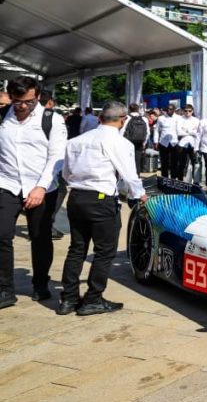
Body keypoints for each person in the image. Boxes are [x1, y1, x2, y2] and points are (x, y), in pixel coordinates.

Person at [58, 101, 147, 316]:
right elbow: (129, 174)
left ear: (100, 118)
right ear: (122, 120)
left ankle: (68, 298)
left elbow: (66, 173)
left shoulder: (75, 141)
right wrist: (139, 194)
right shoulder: (120, 142)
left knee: (77, 248)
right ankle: (93, 298)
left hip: (77, 196)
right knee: (104, 251)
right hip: (101, 199)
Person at [0, 77, 68, 308]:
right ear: (11, 97)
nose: (22, 106)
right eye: (17, 101)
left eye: (28, 101)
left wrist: (41, 187)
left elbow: (57, 156)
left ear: (37, 97)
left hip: (42, 186)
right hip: (7, 184)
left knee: (40, 237)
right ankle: (5, 289)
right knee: (1, 235)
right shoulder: (3, 117)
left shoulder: (52, 120)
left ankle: (40, 283)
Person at [121, 103, 150, 174]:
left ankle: (128, 176)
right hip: (140, 142)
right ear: (138, 109)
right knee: (137, 161)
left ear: (129, 109)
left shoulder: (126, 118)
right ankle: (137, 176)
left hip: (128, 142)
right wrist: (144, 143)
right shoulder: (144, 119)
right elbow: (148, 132)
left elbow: (122, 130)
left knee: (127, 160)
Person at [174, 104, 200, 181]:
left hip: (193, 144)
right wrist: (191, 131)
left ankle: (195, 180)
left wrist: (186, 130)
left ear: (192, 111)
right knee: (181, 163)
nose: (187, 112)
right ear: (183, 111)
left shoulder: (196, 120)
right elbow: (179, 132)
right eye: (186, 111)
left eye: (189, 111)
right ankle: (180, 179)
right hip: (182, 144)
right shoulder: (180, 119)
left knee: (195, 163)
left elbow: (198, 133)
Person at [155, 105, 179, 178]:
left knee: (174, 162)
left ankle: (173, 179)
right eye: (168, 109)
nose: (169, 110)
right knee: (164, 162)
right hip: (163, 142)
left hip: (174, 142)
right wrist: (156, 141)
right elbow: (156, 130)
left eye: (171, 109)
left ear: (174, 110)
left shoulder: (178, 118)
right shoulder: (161, 118)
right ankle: (164, 179)